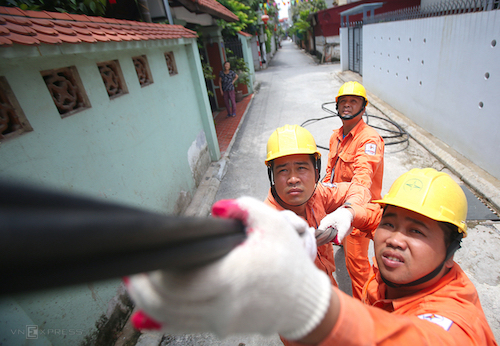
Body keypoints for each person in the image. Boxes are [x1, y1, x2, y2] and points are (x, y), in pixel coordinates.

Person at [125, 168, 497, 345]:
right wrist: (350, 216)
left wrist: (307, 305)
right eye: (391, 224)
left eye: (417, 231)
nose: (394, 240)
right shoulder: (392, 276)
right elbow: (370, 215)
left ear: (451, 253)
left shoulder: (456, 319)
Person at [263, 124, 380, 287]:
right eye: (283, 170)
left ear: (316, 172)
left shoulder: (318, 193)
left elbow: (358, 189)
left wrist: (349, 211)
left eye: (301, 168)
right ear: (272, 177)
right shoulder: (266, 223)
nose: (293, 179)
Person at [322, 80, 385, 299]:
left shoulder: (368, 139)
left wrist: (350, 210)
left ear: (363, 107)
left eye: (353, 101)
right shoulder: (336, 136)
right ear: (337, 106)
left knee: (358, 270)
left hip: (357, 213)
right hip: (339, 210)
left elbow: (362, 178)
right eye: (343, 101)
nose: (347, 105)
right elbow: (329, 172)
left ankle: (367, 316)